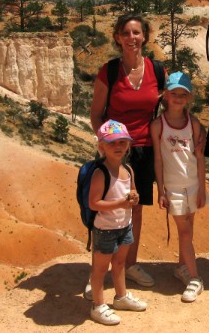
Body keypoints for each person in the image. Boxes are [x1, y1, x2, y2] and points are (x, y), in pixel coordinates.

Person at [89, 14, 162, 289]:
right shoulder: (108, 72)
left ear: (144, 36)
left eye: (136, 33)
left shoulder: (157, 70)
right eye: (126, 33)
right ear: (118, 38)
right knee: (106, 211)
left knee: (136, 209)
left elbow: (169, 107)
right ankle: (99, 270)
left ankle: (129, 265)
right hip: (116, 150)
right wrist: (107, 146)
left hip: (143, 148)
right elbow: (96, 114)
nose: (132, 38)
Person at [150, 71, 207, 302]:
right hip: (173, 187)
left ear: (189, 98)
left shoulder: (193, 124)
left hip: (192, 185)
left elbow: (200, 158)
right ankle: (195, 278)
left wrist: (202, 189)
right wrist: (161, 190)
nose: (179, 98)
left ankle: (182, 267)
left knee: (189, 229)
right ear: (166, 95)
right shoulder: (158, 126)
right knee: (184, 232)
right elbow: (158, 159)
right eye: (175, 94)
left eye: (183, 95)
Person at [88, 120, 147, 325]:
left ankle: (120, 297)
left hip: (124, 226)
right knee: (100, 269)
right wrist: (121, 203)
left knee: (120, 263)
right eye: (112, 142)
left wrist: (134, 197)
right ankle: (98, 305)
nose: (118, 146)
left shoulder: (128, 170)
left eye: (122, 142)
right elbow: (94, 203)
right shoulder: (100, 172)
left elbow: (132, 192)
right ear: (101, 146)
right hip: (105, 229)